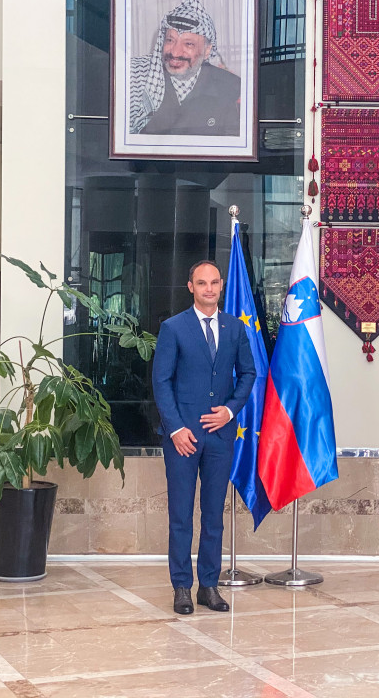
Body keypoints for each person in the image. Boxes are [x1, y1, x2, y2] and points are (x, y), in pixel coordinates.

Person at [152, 260, 256, 615]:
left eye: (214, 283)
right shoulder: (173, 328)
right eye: (202, 283)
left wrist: (230, 410)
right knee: (181, 515)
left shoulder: (234, 328)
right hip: (183, 437)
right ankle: (182, 586)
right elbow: (161, 382)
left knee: (214, 515)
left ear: (222, 285)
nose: (209, 289)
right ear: (190, 287)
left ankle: (208, 586)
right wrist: (176, 428)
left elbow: (248, 373)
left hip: (220, 436)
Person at [129, 0, 241, 137]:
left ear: (207, 51)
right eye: (170, 40)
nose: (175, 52)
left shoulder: (231, 87)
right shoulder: (139, 78)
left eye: (188, 44)